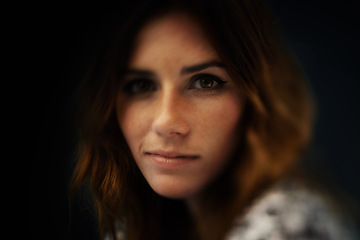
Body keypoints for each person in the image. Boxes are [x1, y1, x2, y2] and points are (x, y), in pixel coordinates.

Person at [71, 0, 358, 239]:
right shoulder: (135, 221)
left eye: (206, 82)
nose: (166, 122)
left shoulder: (289, 227)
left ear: (258, 98)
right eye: (141, 85)